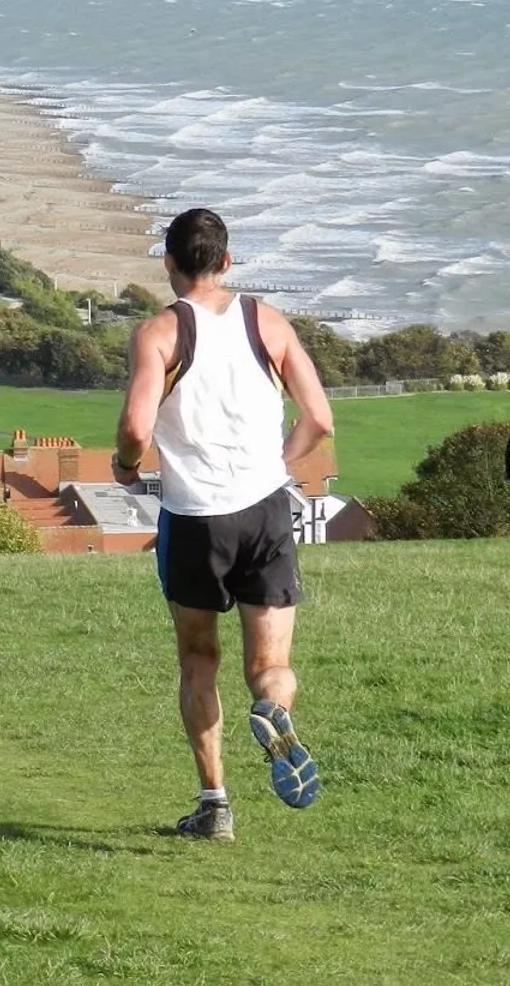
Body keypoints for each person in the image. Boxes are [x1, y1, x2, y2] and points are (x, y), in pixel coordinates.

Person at [116, 208, 334, 841]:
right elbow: (319, 418)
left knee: (198, 660)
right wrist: (278, 465)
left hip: (194, 520)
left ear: (168, 264)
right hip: (264, 509)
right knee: (271, 663)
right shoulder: (267, 322)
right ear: (228, 261)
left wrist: (126, 467)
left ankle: (215, 805)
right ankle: (272, 709)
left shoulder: (158, 333)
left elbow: (135, 427)